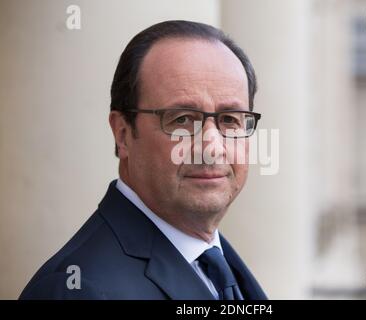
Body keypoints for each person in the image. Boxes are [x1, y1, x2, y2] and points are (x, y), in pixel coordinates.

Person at [20, 20, 267, 300]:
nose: (212, 147)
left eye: (229, 120)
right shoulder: (77, 290)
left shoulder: (217, 265)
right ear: (123, 133)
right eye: (182, 119)